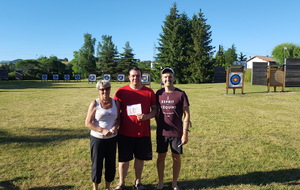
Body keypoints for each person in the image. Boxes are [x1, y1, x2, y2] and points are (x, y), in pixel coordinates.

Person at [114, 66, 157, 190]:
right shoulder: (121, 91)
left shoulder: (149, 92)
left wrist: (146, 116)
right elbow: (116, 111)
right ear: (128, 77)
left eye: (138, 75)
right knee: (123, 160)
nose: (135, 78)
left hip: (142, 133)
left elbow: (155, 111)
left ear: (142, 77)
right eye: (133, 75)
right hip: (125, 132)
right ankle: (121, 183)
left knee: (139, 159)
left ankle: (138, 182)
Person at [155, 68, 190, 190]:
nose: (167, 79)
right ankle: (160, 183)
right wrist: (159, 124)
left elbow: (187, 114)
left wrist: (185, 133)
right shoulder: (158, 94)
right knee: (161, 157)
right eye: (165, 77)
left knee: (176, 157)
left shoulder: (181, 94)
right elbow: (156, 112)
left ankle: (174, 183)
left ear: (174, 78)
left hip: (176, 132)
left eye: (170, 76)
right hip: (162, 132)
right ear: (162, 79)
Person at [85, 80, 120, 190]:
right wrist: (102, 130)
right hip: (97, 139)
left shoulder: (116, 103)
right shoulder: (94, 103)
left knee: (110, 163)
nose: (105, 91)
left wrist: (115, 127)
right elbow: (87, 123)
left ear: (110, 89)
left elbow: (119, 119)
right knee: (97, 164)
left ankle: (108, 187)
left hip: (112, 139)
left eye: (107, 88)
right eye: (102, 89)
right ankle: (95, 187)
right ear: (98, 90)